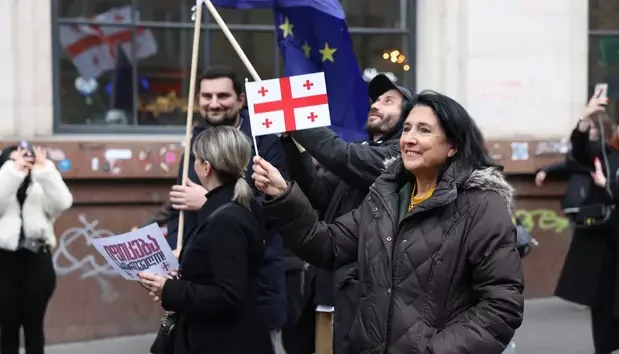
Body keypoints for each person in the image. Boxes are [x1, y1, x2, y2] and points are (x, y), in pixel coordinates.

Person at [253, 91, 524, 352]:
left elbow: (501, 305)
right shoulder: (386, 197)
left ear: (453, 146)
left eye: (424, 130)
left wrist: (435, 351)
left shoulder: (481, 205)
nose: (409, 139)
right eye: (406, 129)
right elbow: (327, 245)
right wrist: (283, 196)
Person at [279, 74, 412, 354]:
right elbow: (318, 192)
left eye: (388, 101)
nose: (376, 105)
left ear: (407, 119)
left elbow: (342, 156)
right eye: (375, 100)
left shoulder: (400, 158)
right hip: (326, 283)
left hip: (360, 291)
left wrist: (301, 121)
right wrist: (291, 143)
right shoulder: (363, 151)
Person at [164, 66, 288, 345]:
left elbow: (277, 205)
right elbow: (178, 210)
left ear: (240, 100)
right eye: (206, 96)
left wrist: (207, 203)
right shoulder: (193, 142)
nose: (214, 103)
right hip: (197, 289)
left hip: (250, 287)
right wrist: (174, 251)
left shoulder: (264, 141)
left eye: (223, 95)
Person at [139, 126, 273, 354]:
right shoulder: (234, 207)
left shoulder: (226, 218)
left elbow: (229, 294)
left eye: (196, 158)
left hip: (224, 342)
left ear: (206, 167)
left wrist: (169, 290)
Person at [556, 92, 619, 354]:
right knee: (603, 309)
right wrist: (585, 117)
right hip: (604, 249)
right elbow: (578, 150)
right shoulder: (606, 154)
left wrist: (607, 184)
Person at [0, 143, 73, 354]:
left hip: (37, 260)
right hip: (4, 262)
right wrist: (13, 172)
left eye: (26, 158)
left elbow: (63, 202)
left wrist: (45, 169)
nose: (23, 162)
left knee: (34, 328)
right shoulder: (5, 179)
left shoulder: (40, 183)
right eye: (15, 158)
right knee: (8, 329)